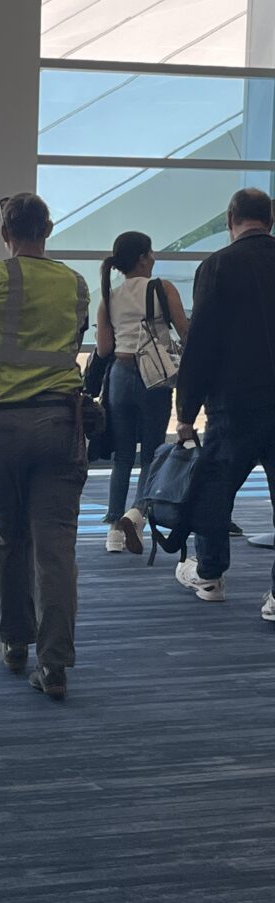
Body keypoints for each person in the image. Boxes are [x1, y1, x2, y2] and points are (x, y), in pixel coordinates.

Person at [0, 192, 89, 699]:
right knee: (56, 546)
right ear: (46, 230)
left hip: (2, 429)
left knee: (12, 538)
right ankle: (55, 665)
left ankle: (14, 641)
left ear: (7, 233)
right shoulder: (75, 283)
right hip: (59, 426)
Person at [174, 187, 275, 616]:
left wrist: (186, 411)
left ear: (231, 220)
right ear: (268, 221)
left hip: (235, 402)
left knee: (213, 490)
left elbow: (201, 345)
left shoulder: (217, 266)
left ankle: (211, 573)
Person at [96, 232, 189, 555]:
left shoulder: (110, 295)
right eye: (151, 253)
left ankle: (112, 531)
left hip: (120, 375)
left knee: (122, 457)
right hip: (154, 376)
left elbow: (104, 347)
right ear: (142, 258)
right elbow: (184, 329)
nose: (154, 258)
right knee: (151, 453)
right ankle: (135, 515)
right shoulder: (161, 288)